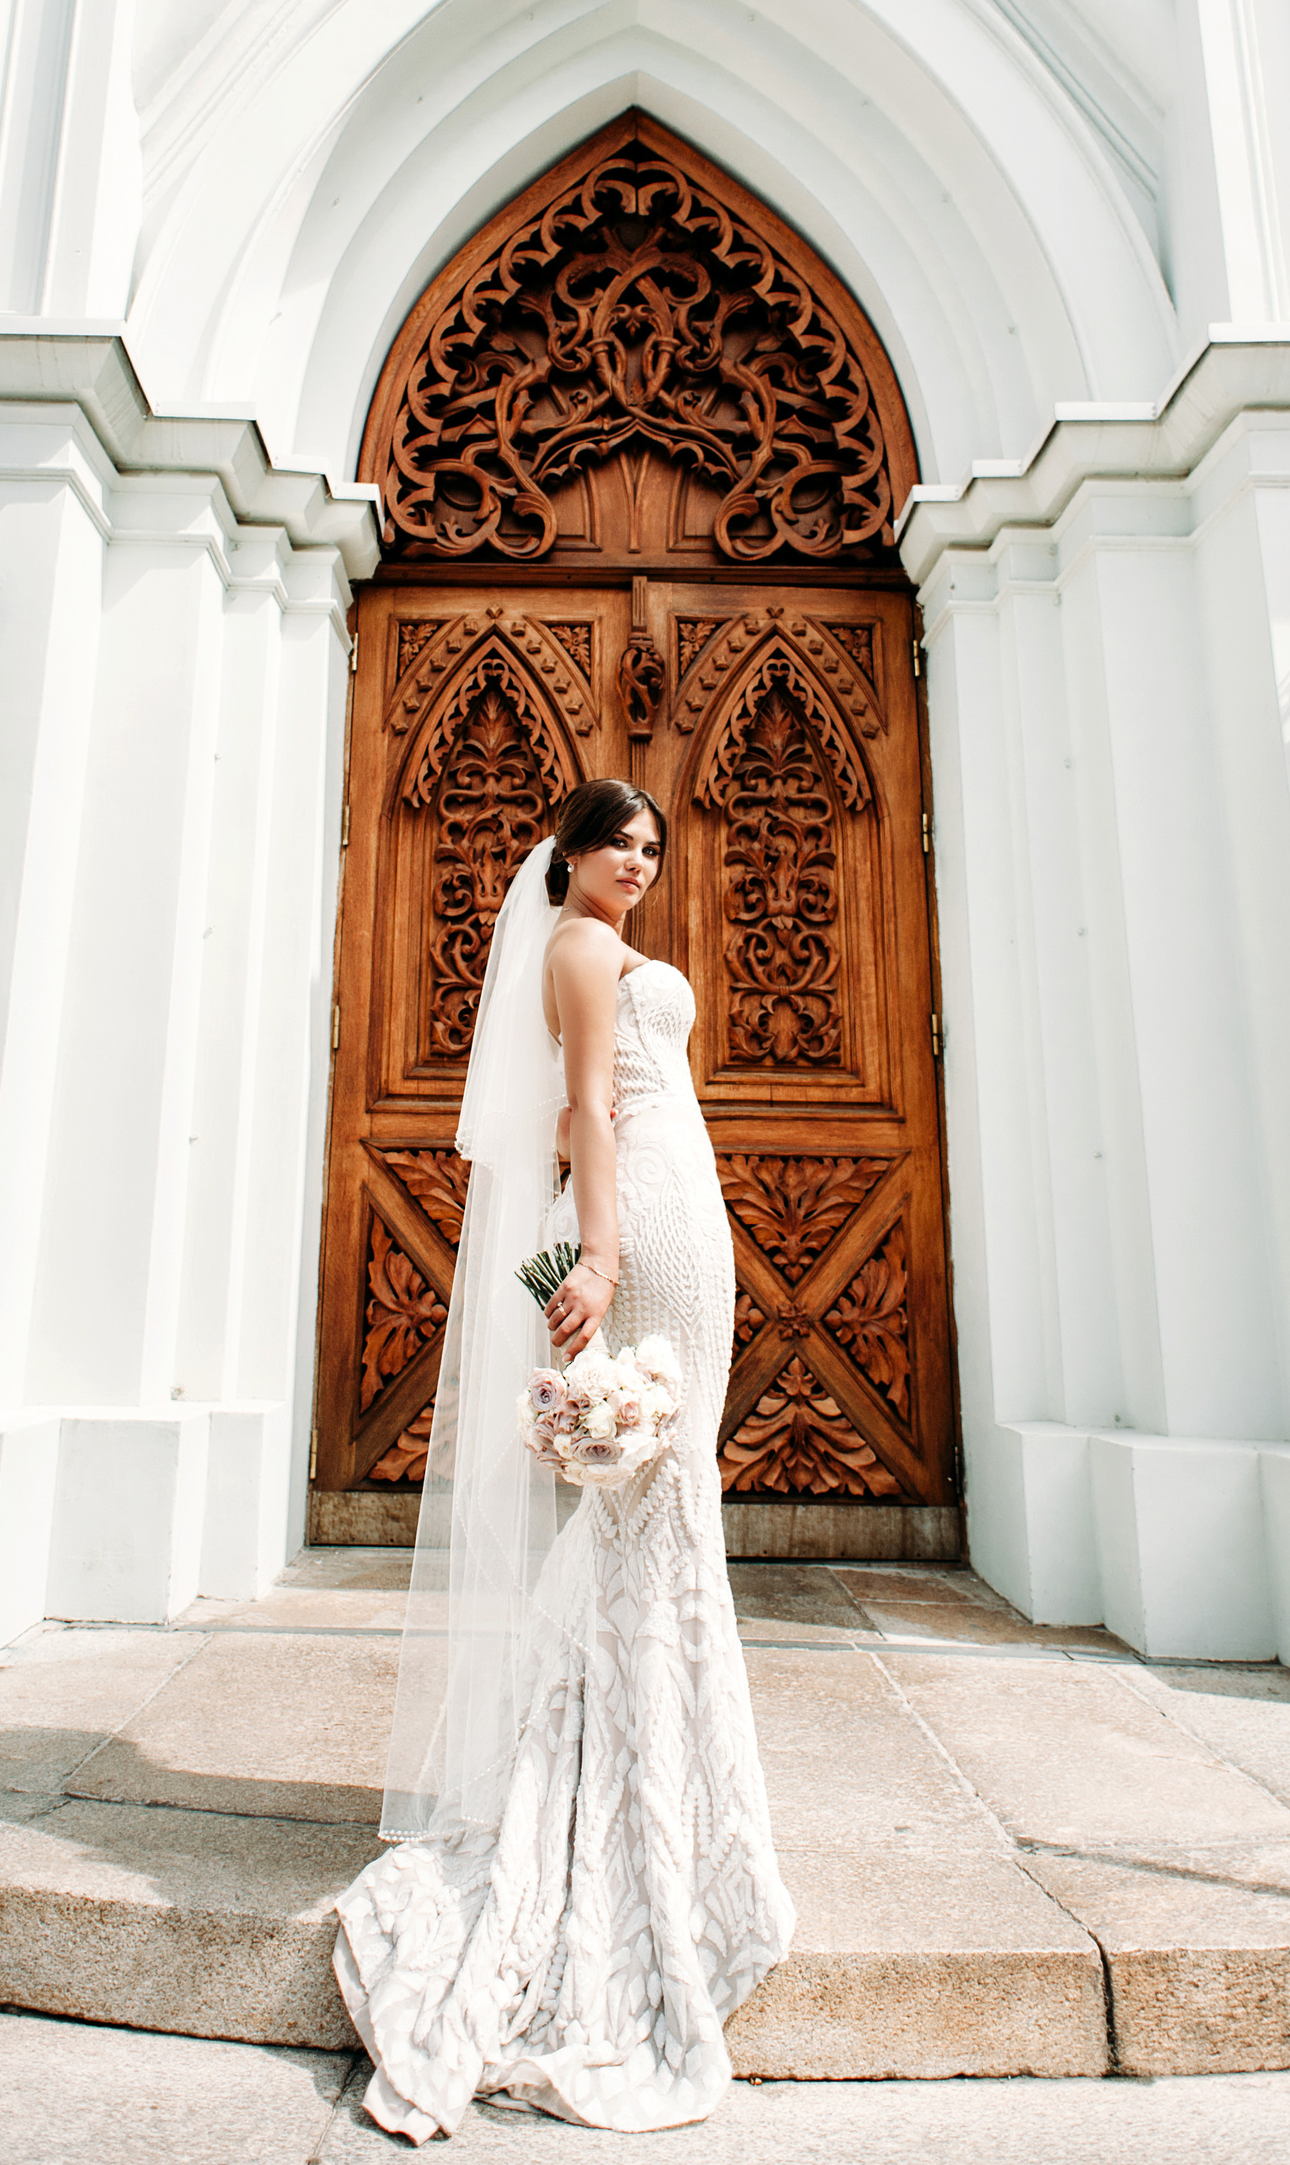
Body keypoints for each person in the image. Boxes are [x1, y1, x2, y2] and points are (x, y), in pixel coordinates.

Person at [334, 777, 794, 2139]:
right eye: (619, 843)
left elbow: (566, 1109)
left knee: (648, 1507)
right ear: (572, 854)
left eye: (655, 846)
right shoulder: (584, 947)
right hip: (646, 1214)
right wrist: (595, 1253)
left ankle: (621, 1764)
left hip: (668, 1199)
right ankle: (632, 1792)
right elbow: (589, 1108)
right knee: (657, 1504)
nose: (640, 863)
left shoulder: (585, 945)